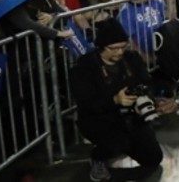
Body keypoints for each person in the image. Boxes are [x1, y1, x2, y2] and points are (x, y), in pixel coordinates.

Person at [70, 18, 163, 181]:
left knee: (154, 158)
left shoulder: (131, 58)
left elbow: (147, 82)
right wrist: (114, 100)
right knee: (119, 142)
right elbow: (87, 102)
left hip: (133, 117)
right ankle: (98, 157)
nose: (119, 52)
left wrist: (148, 98)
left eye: (122, 46)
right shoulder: (85, 66)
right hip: (99, 119)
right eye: (113, 48)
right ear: (100, 47)